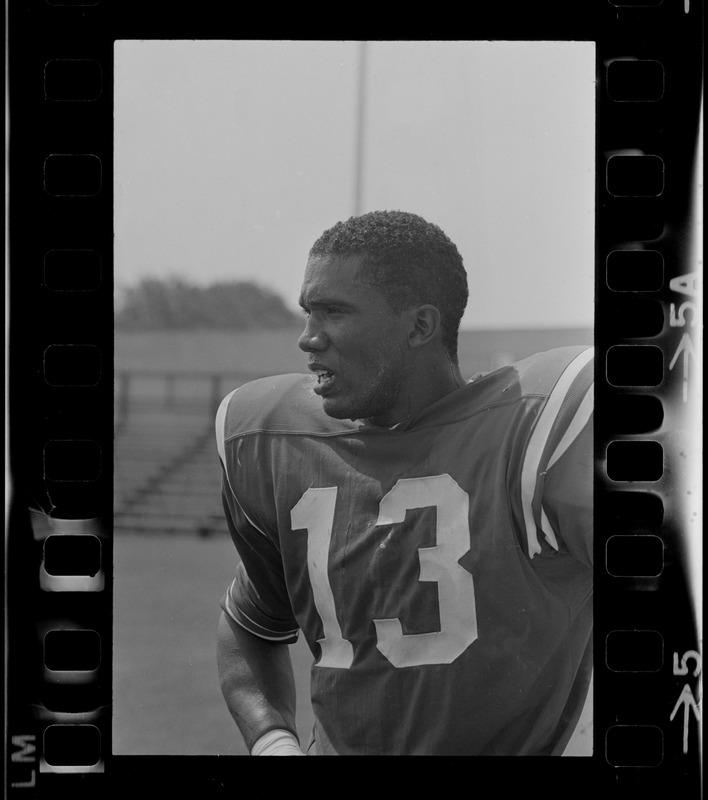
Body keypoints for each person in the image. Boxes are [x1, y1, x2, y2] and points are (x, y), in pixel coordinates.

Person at [215, 210, 593, 756]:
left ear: (419, 326)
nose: (307, 338)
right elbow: (248, 622)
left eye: (334, 313)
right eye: (308, 312)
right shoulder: (277, 441)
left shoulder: (533, 428)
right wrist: (272, 742)